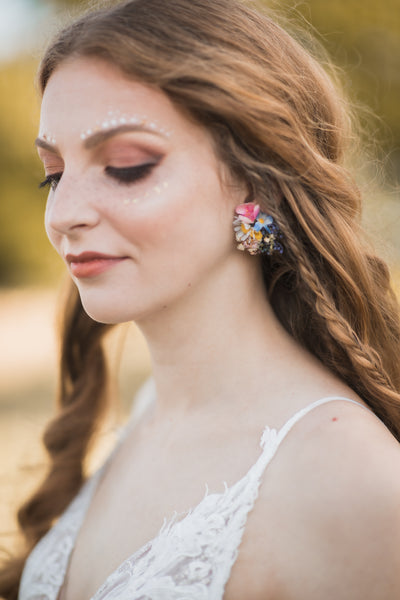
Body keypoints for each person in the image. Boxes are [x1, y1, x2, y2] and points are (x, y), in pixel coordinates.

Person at [1, 0, 400, 598]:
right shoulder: (148, 407)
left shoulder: (350, 479)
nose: (63, 215)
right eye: (54, 174)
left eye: (127, 166)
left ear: (257, 181)